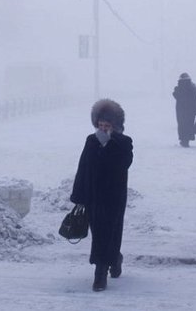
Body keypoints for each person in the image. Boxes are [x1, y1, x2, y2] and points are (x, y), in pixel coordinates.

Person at [70, 98, 133, 292]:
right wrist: (79, 195)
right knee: (99, 233)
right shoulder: (91, 140)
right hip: (94, 196)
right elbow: (83, 167)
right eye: (100, 125)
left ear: (116, 125)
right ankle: (107, 265)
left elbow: (124, 165)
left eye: (107, 125)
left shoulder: (124, 142)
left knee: (111, 231)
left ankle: (107, 266)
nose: (103, 129)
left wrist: (109, 145)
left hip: (114, 196)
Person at [172, 72, 196, 148]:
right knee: (189, 125)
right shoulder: (193, 88)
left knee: (182, 125)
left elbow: (175, 95)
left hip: (181, 111)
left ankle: (183, 140)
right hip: (190, 112)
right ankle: (186, 140)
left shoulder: (179, 88)